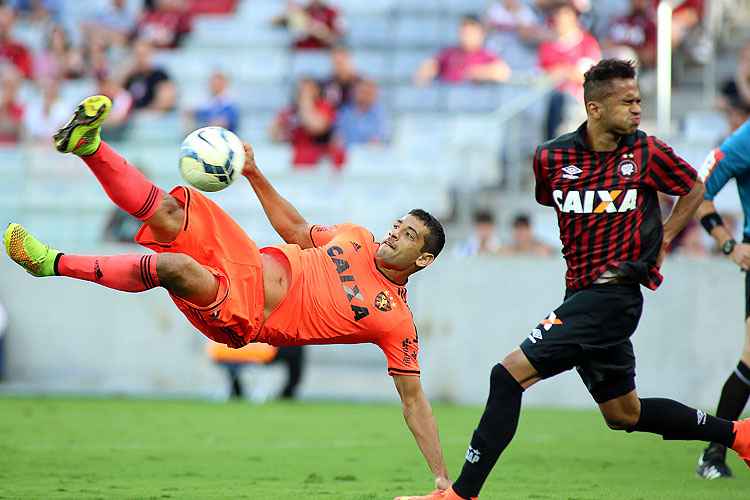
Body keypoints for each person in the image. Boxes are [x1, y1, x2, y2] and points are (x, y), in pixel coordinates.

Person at [4, 95, 450, 490]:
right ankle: (90, 146)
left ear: (423, 259)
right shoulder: (353, 236)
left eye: (407, 235)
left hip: (247, 312)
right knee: (168, 210)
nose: (393, 234)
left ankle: (52, 264)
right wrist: (254, 172)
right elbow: (294, 229)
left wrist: (442, 480)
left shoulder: (395, 319)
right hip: (247, 260)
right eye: (398, 225)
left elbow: (414, 401)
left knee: (175, 268)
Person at [395, 59, 750, 500]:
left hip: (615, 295)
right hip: (580, 293)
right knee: (624, 413)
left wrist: (666, 238)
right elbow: (553, 198)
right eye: (628, 101)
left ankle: (460, 494)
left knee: (507, 377)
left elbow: (693, 187)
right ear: (595, 108)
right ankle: (738, 435)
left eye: (639, 100)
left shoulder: (647, 152)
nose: (638, 109)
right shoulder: (551, 157)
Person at [693, 114, 750, 478]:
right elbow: (697, 190)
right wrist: (729, 244)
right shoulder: (744, 140)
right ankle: (714, 451)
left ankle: (714, 451)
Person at [538, 1, 601, 140]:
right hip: (552, 99)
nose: (562, 22)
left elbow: (588, 77)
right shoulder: (547, 45)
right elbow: (543, 76)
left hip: (579, 100)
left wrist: (563, 72)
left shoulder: (587, 43)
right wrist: (565, 72)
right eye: (559, 18)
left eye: (566, 18)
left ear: (575, 19)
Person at [414, 15, 511, 87]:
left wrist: (479, 72)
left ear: (481, 34)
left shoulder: (487, 56)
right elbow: (429, 68)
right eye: (464, 32)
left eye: (471, 32)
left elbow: (503, 73)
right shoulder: (449, 53)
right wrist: (427, 69)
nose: (467, 36)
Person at [270, 78, 345, 169]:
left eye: (308, 89)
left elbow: (315, 127)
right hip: (296, 159)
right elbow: (273, 134)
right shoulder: (290, 111)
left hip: (319, 162)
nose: (303, 92)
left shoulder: (324, 107)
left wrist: (305, 103)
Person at [123, 38, 176, 113]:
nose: (141, 58)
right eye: (137, 54)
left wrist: (146, 111)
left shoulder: (159, 75)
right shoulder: (131, 76)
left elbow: (167, 100)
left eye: (144, 54)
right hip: (132, 117)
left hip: (152, 116)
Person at [336, 79, 389, 148]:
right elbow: (338, 136)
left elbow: (380, 137)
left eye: (368, 92)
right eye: (362, 92)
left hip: (373, 153)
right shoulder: (345, 112)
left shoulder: (380, 112)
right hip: (349, 153)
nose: (365, 95)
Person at [603, 0, 657, 68]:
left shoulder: (650, 24)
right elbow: (605, 44)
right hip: (614, 59)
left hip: (639, 66)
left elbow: (650, 55)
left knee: (625, 56)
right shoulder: (620, 20)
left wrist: (629, 50)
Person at [273, 0, 343, 51]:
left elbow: (336, 40)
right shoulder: (301, 10)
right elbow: (274, 23)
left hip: (322, 55)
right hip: (300, 54)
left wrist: (319, 31)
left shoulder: (332, 12)